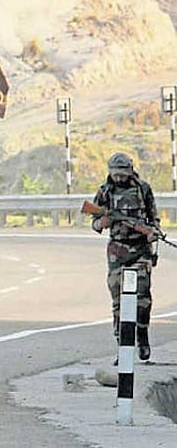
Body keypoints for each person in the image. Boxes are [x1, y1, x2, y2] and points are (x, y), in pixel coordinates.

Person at [90, 152, 160, 361]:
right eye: (116, 174)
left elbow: (153, 217)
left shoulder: (143, 189)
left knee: (142, 298)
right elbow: (94, 223)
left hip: (140, 250)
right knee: (118, 300)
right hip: (117, 251)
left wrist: (152, 233)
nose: (119, 178)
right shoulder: (104, 191)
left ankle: (142, 334)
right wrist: (103, 222)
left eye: (123, 174)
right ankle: (123, 346)